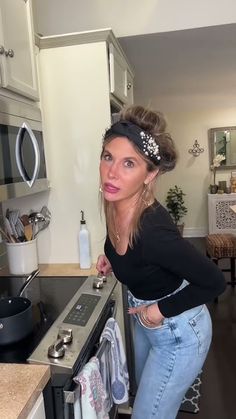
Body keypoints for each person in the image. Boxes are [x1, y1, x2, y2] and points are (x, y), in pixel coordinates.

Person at [96, 105, 226, 419]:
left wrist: (160, 309)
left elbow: (214, 281)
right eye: (108, 156)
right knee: (146, 398)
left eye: (129, 163)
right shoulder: (115, 201)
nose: (112, 172)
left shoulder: (153, 231)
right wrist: (113, 259)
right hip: (147, 319)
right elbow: (121, 243)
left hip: (179, 329)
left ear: (150, 174)